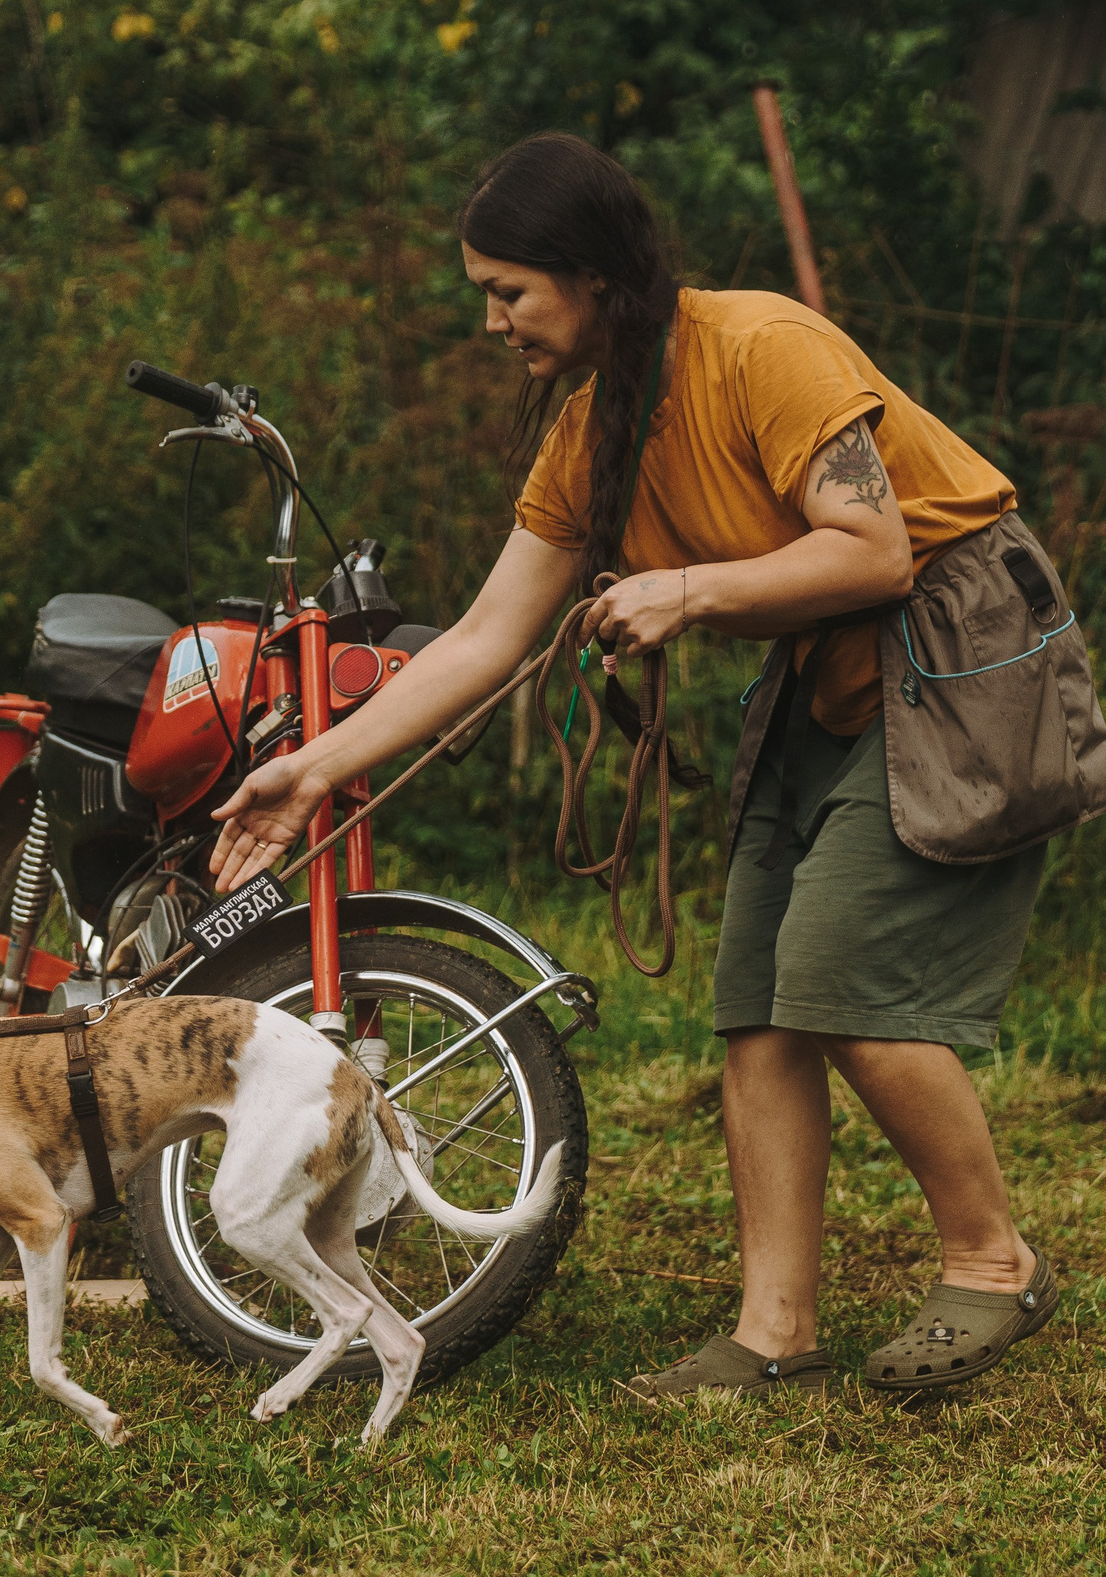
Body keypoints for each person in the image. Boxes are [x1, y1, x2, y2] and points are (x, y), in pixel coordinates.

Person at [208, 131, 1057, 1398]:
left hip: (956, 646)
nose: (492, 321)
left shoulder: (761, 346)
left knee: (838, 982)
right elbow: (488, 637)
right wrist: (316, 768)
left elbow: (874, 548)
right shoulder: (591, 431)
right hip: (825, 673)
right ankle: (772, 1334)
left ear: (593, 272)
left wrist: (687, 589)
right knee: (756, 1002)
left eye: (508, 290)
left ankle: (994, 1261)